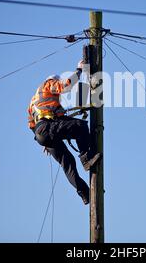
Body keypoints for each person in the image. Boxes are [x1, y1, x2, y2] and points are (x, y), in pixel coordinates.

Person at [28, 59, 101, 205]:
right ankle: (86, 159)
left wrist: (44, 141)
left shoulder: (34, 101)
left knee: (67, 164)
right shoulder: (48, 84)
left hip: (42, 133)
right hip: (48, 127)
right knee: (81, 126)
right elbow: (64, 86)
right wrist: (79, 70)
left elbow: (31, 124)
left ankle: (85, 194)